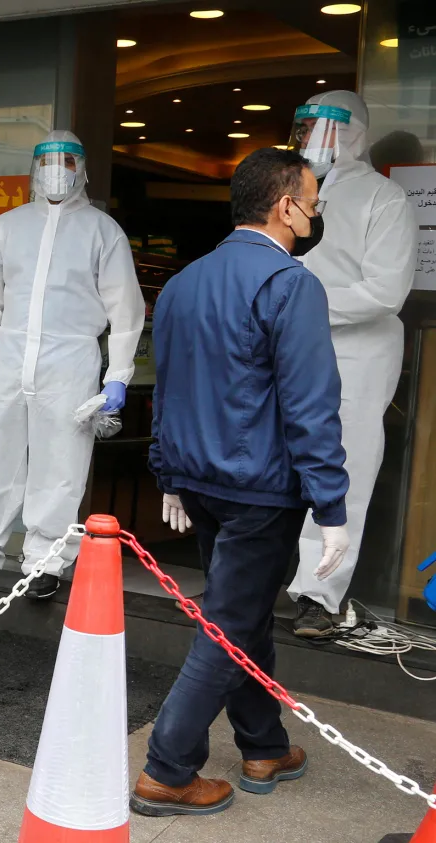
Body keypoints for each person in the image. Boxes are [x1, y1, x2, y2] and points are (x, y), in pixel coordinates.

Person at [134, 148, 349, 817]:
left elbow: (165, 390)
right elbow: (311, 403)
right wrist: (333, 507)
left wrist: (168, 474)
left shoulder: (184, 282)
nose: (313, 214)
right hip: (260, 489)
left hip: (199, 482)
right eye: (311, 202)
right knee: (228, 624)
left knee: (242, 615)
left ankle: (263, 743)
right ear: (285, 206)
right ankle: (167, 770)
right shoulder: (292, 284)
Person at [0, 130, 145, 600]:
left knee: (61, 463)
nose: (56, 170)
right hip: (10, 355)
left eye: (67, 161)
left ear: (82, 169)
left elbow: (126, 312)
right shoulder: (9, 226)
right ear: (33, 168)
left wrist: (118, 377)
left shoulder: (101, 231)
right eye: (48, 161)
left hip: (70, 359)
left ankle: (47, 560)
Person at [284, 91, 417, 637]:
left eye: (328, 128)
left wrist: (301, 305)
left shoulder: (384, 199)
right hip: (290, 347)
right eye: (307, 126)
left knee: (343, 469)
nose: (316, 139)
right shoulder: (288, 192)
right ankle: (259, 575)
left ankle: (320, 594)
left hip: (356, 355)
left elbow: (386, 291)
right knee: (273, 462)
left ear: (355, 133)